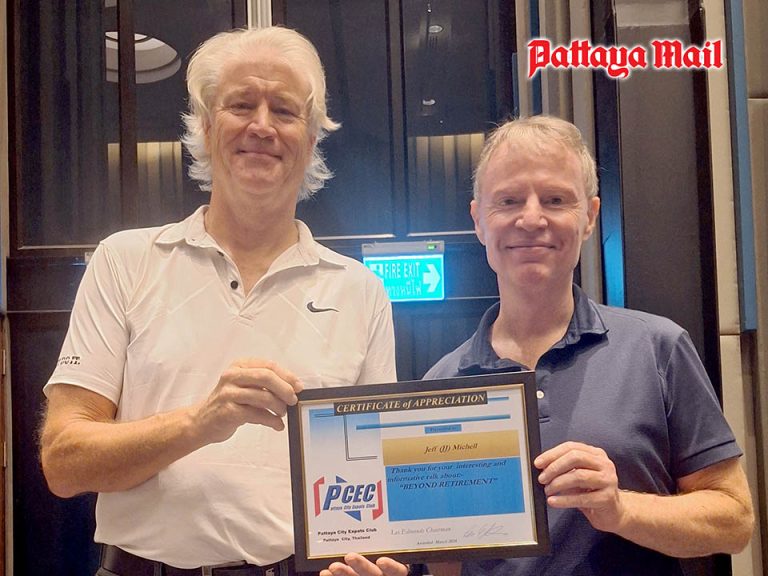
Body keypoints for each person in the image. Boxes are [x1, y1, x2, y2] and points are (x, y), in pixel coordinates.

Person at [324, 115, 754, 576]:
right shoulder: (440, 385)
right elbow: (446, 561)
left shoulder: (658, 349)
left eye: (555, 199)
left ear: (589, 217)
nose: (531, 219)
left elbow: (735, 521)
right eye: (508, 201)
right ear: (479, 221)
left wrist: (621, 510)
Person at [39, 26, 397, 576]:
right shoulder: (124, 261)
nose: (262, 126)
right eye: (241, 105)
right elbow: (63, 462)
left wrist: (372, 562)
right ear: (205, 128)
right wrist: (199, 422)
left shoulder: (360, 291)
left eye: (284, 110)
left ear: (310, 140)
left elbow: (373, 482)